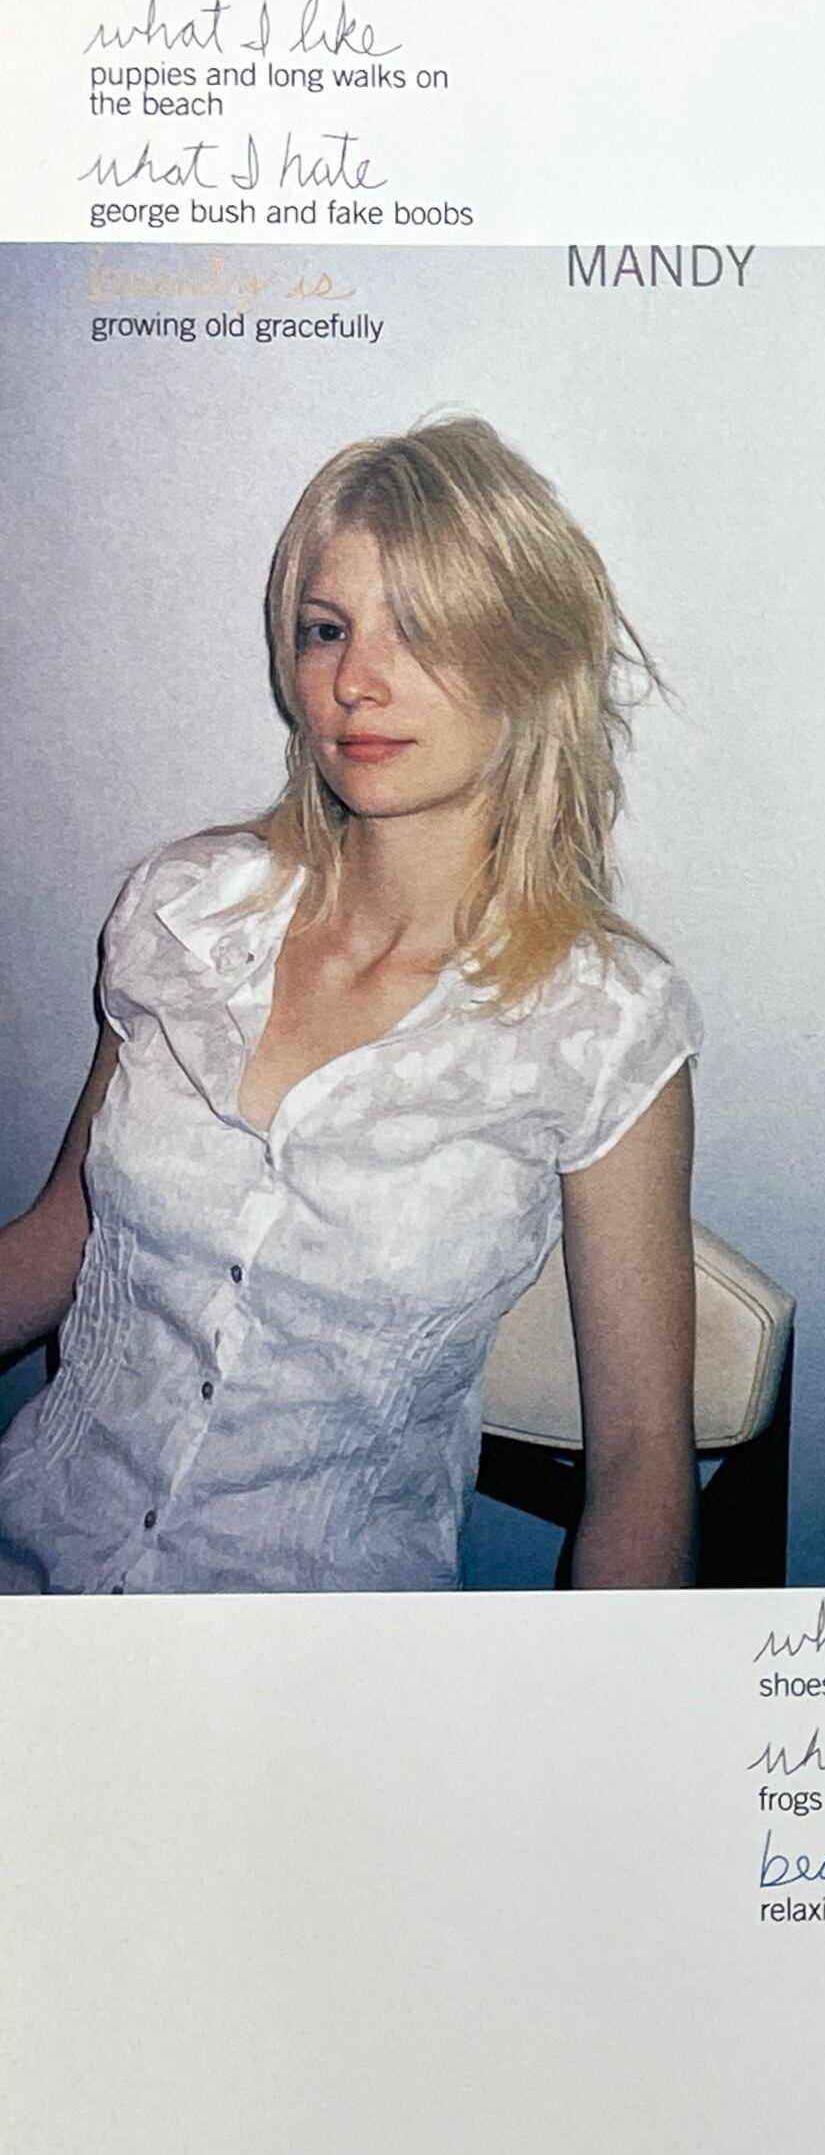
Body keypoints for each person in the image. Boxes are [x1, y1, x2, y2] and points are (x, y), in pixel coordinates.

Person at [0, 417, 702, 1595]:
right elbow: (56, 1239)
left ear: (531, 660)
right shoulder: (181, 911)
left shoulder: (606, 1023)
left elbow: (638, 1462)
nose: (354, 681)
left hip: (325, 1656)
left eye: (418, 630)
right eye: (327, 630)